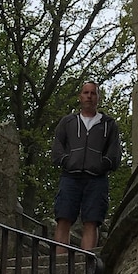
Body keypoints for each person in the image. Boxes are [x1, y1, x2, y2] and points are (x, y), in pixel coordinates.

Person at [51, 81, 122, 252]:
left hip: (97, 179)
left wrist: (102, 164)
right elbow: (57, 147)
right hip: (70, 177)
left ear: (98, 97)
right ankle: (60, 265)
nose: (89, 96)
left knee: (92, 221)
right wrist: (66, 161)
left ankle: (86, 263)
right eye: (86, 93)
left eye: (93, 93)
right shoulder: (67, 122)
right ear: (80, 96)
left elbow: (114, 153)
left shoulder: (108, 124)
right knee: (63, 218)